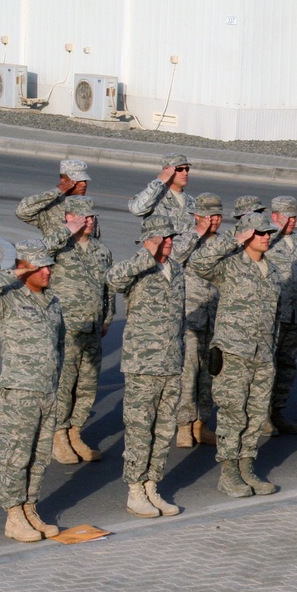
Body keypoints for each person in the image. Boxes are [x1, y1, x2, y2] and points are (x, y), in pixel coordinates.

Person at [0, 239, 64, 542]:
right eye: (41, 266)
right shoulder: (8, 299)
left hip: (46, 390)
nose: (48, 271)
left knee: (38, 456)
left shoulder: (52, 301)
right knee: (15, 456)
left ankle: (29, 508)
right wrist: (15, 273)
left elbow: (57, 344)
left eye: (49, 265)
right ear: (26, 268)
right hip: (19, 391)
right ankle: (13, 516)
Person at [189, 212, 283, 497]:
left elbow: (274, 316)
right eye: (259, 232)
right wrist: (232, 239)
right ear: (246, 236)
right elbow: (198, 263)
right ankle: (228, 473)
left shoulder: (273, 270)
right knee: (232, 414)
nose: (266, 237)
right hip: (233, 352)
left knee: (255, 414)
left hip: (263, 354)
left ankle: (246, 467)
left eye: (268, 232)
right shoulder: (229, 265)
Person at [106, 216, 185, 519]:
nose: (169, 242)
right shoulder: (138, 267)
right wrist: (145, 255)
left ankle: (152, 485)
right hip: (142, 363)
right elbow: (112, 280)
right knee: (140, 430)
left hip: (171, 362)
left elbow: (179, 318)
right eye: (162, 238)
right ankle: (135, 490)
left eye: (171, 238)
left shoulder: (176, 271)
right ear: (149, 240)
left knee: (164, 430)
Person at [43, 197, 115, 464]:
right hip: (67, 328)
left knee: (87, 384)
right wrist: (66, 231)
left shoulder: (101, 251)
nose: (88, 221)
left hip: (93, 327)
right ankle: (58, 435)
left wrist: (107, 317)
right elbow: (37, 250)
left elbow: (109, 288)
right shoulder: (59, 247)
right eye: (81, 217)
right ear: (68, 218)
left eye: (91, 217)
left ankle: (75, 432)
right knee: (65, 383)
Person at [175, 193, 223, 447]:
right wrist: (196, 233)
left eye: (217, 216)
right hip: (190, 318)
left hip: (215, 320)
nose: (213, 221)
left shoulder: (224, 243)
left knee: (208, 375)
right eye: (208, 216)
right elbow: (173, 259)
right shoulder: (185, 239)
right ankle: (183, 425)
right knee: (187, 374)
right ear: (197, 216)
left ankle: (201, 424)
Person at [265, 195, 297, 436]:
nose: (291, 221)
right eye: (286, 217)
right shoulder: (267, 241)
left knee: (287, 366)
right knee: (267, 367)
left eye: (293, 217)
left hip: (292, 316)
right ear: (274, 217)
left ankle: (277, 411)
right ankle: (261, 415)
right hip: (273, 316)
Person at [16, 160, 90, 235]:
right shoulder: (50, 207)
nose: (84, 184)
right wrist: (56, 191)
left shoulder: (86, 205)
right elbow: (21, 211)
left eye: (85, 181)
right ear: (63, 181)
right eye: (78, 181)